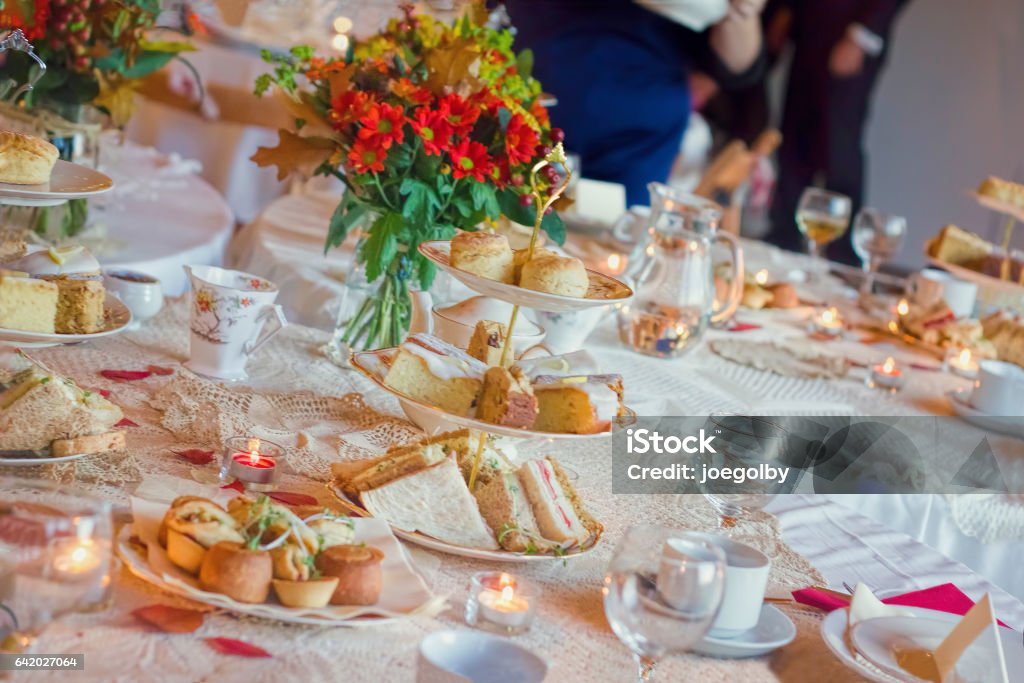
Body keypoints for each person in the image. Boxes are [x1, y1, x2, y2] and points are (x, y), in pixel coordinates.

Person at [505, 0, 767, 207]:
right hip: (529, 99)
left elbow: (737, 70)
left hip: (638, 134)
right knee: (500, 231)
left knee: (608, 247)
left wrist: (742, 11)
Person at [766, 0, 909, 264]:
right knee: (794, 136)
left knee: (838, 145)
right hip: (808, 27)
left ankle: (843, 255)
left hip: (850, 31)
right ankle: (783, 236)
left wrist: (861, 35)